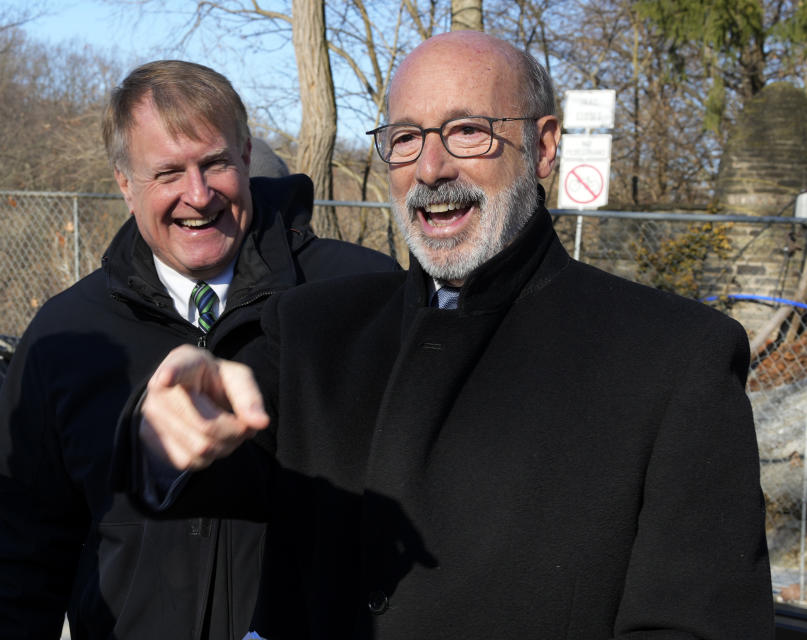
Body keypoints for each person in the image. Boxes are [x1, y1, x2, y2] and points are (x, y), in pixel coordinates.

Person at [118, 32, 775, 639]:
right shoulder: (312, 330)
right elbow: (187, 474)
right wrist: (168, 422)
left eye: (466, 131)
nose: (429, 167)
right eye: (404, 138)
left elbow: (698, 625)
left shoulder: (670, 357)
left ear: (542, 146)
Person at [0, 60, 398, 640]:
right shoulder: (62, 335)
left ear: (246, 156)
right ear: (125, 184)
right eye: (168, 172)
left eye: (215, 163)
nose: (198, 195)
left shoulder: (359, 297)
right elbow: (24, 557)